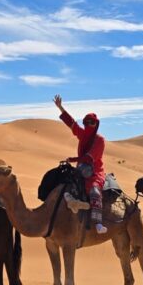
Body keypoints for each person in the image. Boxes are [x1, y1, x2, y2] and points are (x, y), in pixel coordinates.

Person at [54, 94, 108, 235]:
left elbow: (90, 158)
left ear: (96, 124)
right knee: (66, 180)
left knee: (95, 191)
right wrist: (61, 108)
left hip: (95, 172)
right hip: (81, 169)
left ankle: (98, 223)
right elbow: (72, 123)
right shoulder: (83, 134)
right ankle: (73, 201)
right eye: (86, 122)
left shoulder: (100, 140)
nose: (88, 124)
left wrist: (72, 159)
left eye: (92, 122)